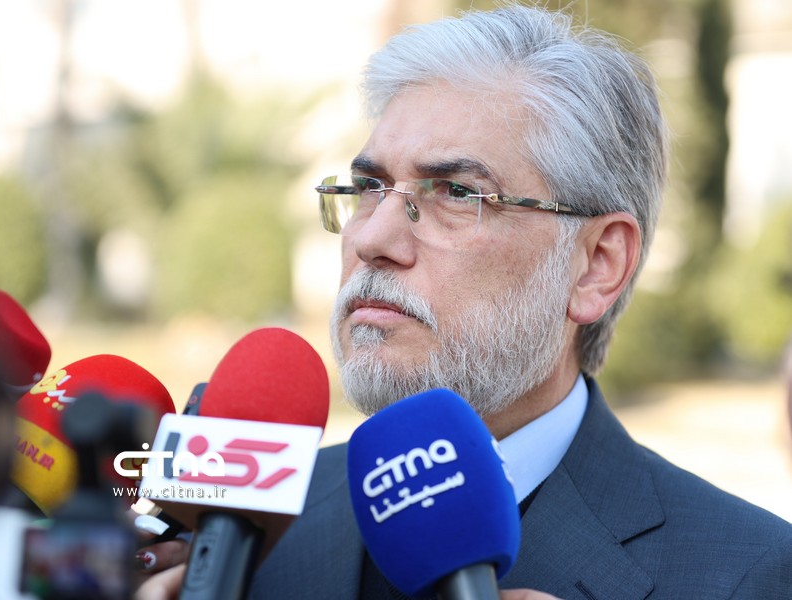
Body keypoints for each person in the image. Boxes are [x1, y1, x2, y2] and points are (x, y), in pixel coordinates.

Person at [138, 3, 792, 598]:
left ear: (597, 264)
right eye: (369, 188)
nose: (371, 239)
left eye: (455, 193)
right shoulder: (251, 532)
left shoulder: (749, 574)